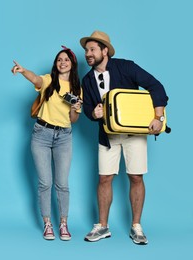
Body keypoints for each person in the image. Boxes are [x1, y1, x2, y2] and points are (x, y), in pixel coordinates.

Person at [79, 31, 168, 245]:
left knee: (136, 177)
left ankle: (136, 227)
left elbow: (156, 86)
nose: (88, 54)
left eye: (92, 50)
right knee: (104, 178)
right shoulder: (87, 79)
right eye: (86, 51)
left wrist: (158, 117)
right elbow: (88, 108)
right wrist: (93, 113)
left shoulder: (126, 67)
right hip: (107, 136)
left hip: (134, 134)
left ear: (104, 50)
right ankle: (102, 226)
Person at [11, 46, 82, 241]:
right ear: (56, 64)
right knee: (45, 183)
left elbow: (73, 119)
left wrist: (76, 108)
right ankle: (47, 223)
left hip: (64, 137)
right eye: (59, 59)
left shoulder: (77, 89)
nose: (62, 62)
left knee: (62, 184)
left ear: (72, 64)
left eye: (66, 59)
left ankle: (64, 224)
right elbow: (36, 79)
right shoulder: (50, 80)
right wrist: (24, 71)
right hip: (41, 134)